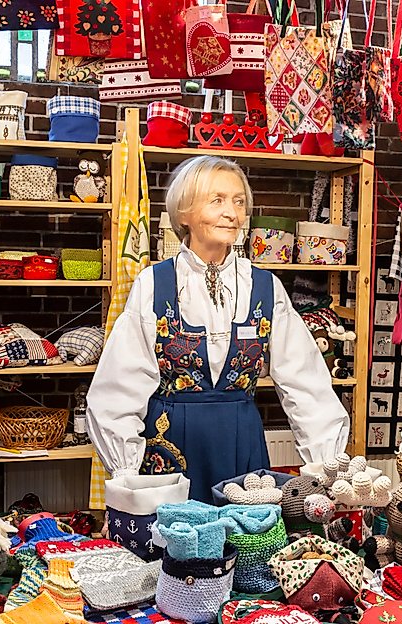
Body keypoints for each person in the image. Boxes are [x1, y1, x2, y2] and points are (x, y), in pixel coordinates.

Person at [87, 156, 350, 503]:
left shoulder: (265, 287)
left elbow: (307, 387)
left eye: (238, 201)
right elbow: (117, 392)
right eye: (217, 200)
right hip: (168, 456)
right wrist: (127, 477)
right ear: (184, 213)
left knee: (247, 552)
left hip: (243, 453)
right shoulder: (154, 284)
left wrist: (326, 468)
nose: (232, 212)